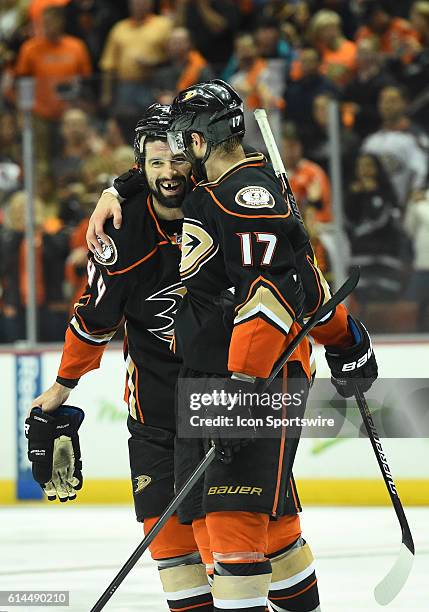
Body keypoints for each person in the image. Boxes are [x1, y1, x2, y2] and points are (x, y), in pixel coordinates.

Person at [165, 79, 378, 612]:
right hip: (217, 376)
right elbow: (303, 278)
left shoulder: (241, 195)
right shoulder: (218, 192)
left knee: (231, 522)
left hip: (252, 378)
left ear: (200, 140)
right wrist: (345, 338)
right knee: (268, 526)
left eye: (183, 139)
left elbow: (273, 296)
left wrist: (244, 389)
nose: (175, 154)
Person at [30, 105, 214, 612]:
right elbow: (94, 319)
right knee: (172, 548)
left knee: (232, 543)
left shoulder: (220, 207)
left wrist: (120, 183)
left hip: (220, 399)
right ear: (142, 166)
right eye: (155, 165)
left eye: (177, 160)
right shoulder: (124, 229)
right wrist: (62, 387)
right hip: (155, 407)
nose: (169, 173)